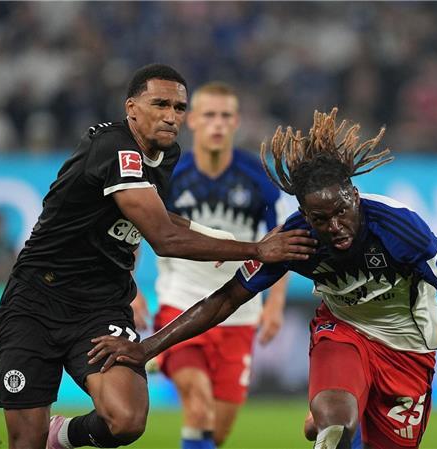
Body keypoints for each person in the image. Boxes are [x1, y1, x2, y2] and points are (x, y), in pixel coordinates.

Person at [88, 108, 437, 449]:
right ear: (304, 214)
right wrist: (148, 347)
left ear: (353, 194)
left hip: (408, 348)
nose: (333, 226)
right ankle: (330, 411)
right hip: (344, 332)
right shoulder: (295, 239)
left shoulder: (399, 228)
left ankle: (325, 415)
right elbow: (225, 300)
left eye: (339, 211)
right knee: (338, 422)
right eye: (320, 219)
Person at [0, 63, 316, 449]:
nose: (171, 116)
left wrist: (213, 236)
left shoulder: (165, 155)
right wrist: (255, 249)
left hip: (99, 307)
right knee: (25, 441)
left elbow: (155, 214)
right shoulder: (113, 149)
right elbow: (161, 236)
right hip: (36, 302)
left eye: (178, 107)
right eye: (160, 104)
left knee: (126, 421)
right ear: (131, 107)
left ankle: (61, 436)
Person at [130, 81, 292, 448]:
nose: (217, 124)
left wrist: (275, 305)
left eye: (225, 116)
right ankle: (165, 357)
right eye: (209, 116)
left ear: (236, 122)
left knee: (216, 432)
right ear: (192, 122)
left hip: (239, 310)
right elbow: (135, 229)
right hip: (180, 303)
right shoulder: (170, 175)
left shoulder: (260, 179)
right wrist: (132, 288)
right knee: (198, 407)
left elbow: (279, 245)